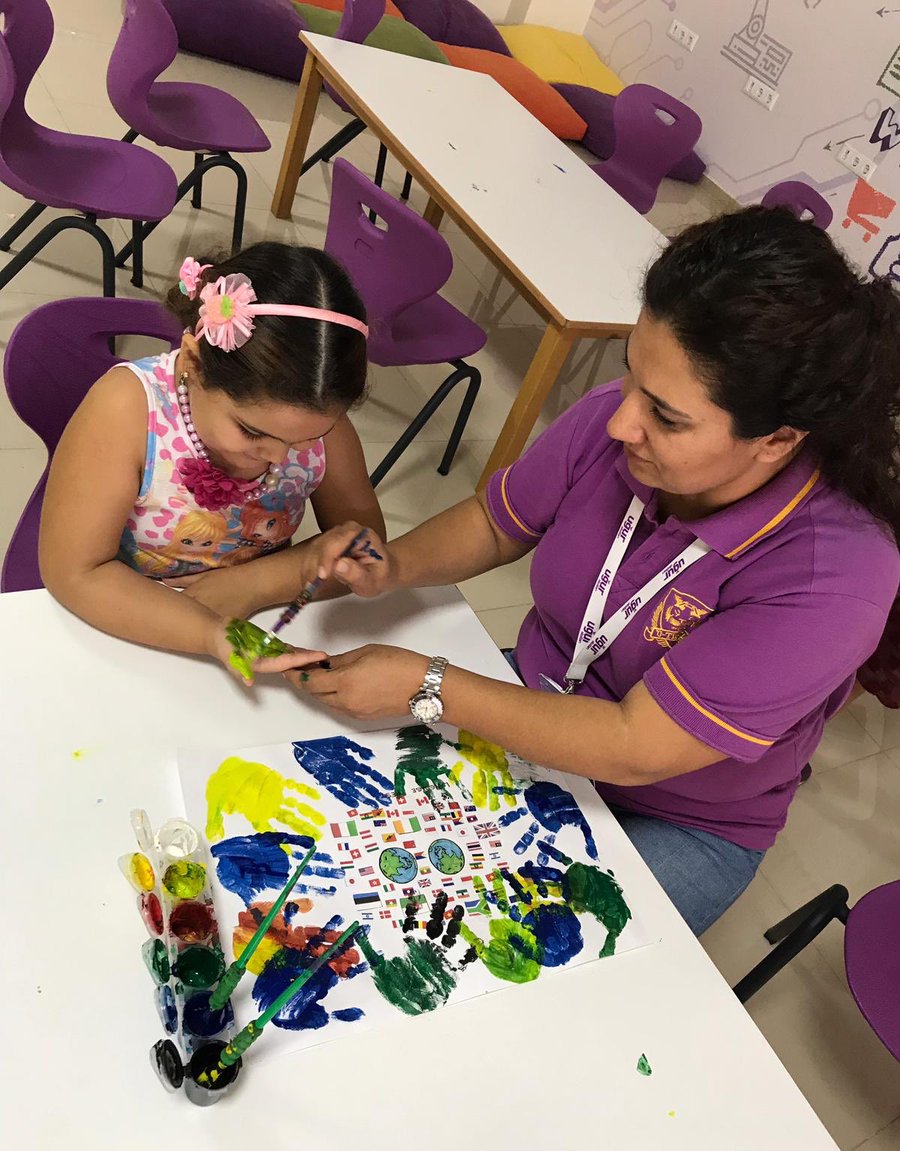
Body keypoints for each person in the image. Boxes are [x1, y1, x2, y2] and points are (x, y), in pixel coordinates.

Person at [264, 207, 900, 935]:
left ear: (778, 439)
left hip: (673, 814)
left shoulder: (835, 576)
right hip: (530, 697)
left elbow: (633, 746)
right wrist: (397, 563)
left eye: (666, 416)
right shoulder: (617, 424)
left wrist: (429, 684)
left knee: (491, 949)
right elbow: (496, 523)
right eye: (630, 374)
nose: (622, 422)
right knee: (351, 861)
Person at [40, 242, 384, 677]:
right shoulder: (128, 410)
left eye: (306, 439)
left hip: (259, 612)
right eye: (253, 432)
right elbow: (77, 571)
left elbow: (365, 547)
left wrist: (255, 583)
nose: (279, 456)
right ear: (193, 362)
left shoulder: (325, 430)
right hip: (131, 616)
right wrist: (209, 632)